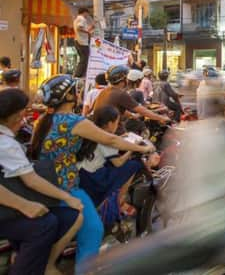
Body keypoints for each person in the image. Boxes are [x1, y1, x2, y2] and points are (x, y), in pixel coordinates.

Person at [32, 74, 156, 268]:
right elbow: (111, 140)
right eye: (75, 90)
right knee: (93, 229)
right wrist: (143, 148)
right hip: (66, 185)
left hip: (44, 182)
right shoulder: (73, 121)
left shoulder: (44, 120)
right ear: (70, 96)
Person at [0, 88, 83, 275]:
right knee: (45, 225)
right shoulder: (5, 143)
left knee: (60, 217)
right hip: (8, 209)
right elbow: (31, 180)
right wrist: (25, 205)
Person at [78, 105, 158, 213]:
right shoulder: (107, 138)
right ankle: (120, 200)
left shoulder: (95, 131)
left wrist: (121, 138)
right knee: (134, 164)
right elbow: (118, 163)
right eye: (117, 122)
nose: (118, 125)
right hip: (94, 179)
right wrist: (132, 150)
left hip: (83, 173)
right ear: (110, 123)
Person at [94, 65, 170, 134]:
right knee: (146, 147)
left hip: (102, 130)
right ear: (123, 79)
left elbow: (116, 108)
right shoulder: (121, 93)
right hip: (114, 132)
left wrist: (132, 115)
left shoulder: (105, 91)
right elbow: (143, 111)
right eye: (127, 77)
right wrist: (161, 118)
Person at [73, 8, 94, 78]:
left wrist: (90, 28)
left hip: (78, 41)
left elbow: (82, 28)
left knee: (83, 58)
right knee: (84, 59)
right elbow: (79, 28)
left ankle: (79, 75)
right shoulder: (82, 19)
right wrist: (88, 32)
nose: (87, 15)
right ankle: (78, 75)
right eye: (87, 13)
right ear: (84, 12)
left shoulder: (77, 19)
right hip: (82, 42)